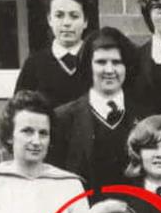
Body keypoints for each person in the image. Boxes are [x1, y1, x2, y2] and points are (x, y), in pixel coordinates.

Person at [49, 26, 152, 193]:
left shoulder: (145, 117)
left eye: (117, 62)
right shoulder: (63, 119)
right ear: (89, 66)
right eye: (101, 62)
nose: (109, 70)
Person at [13, 0, 91, 108]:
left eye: (74, 16)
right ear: (49, 19)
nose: (66, 23)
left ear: (85, 21)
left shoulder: (97, 61)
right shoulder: (34, 65)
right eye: (59, 16)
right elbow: (19, 113)